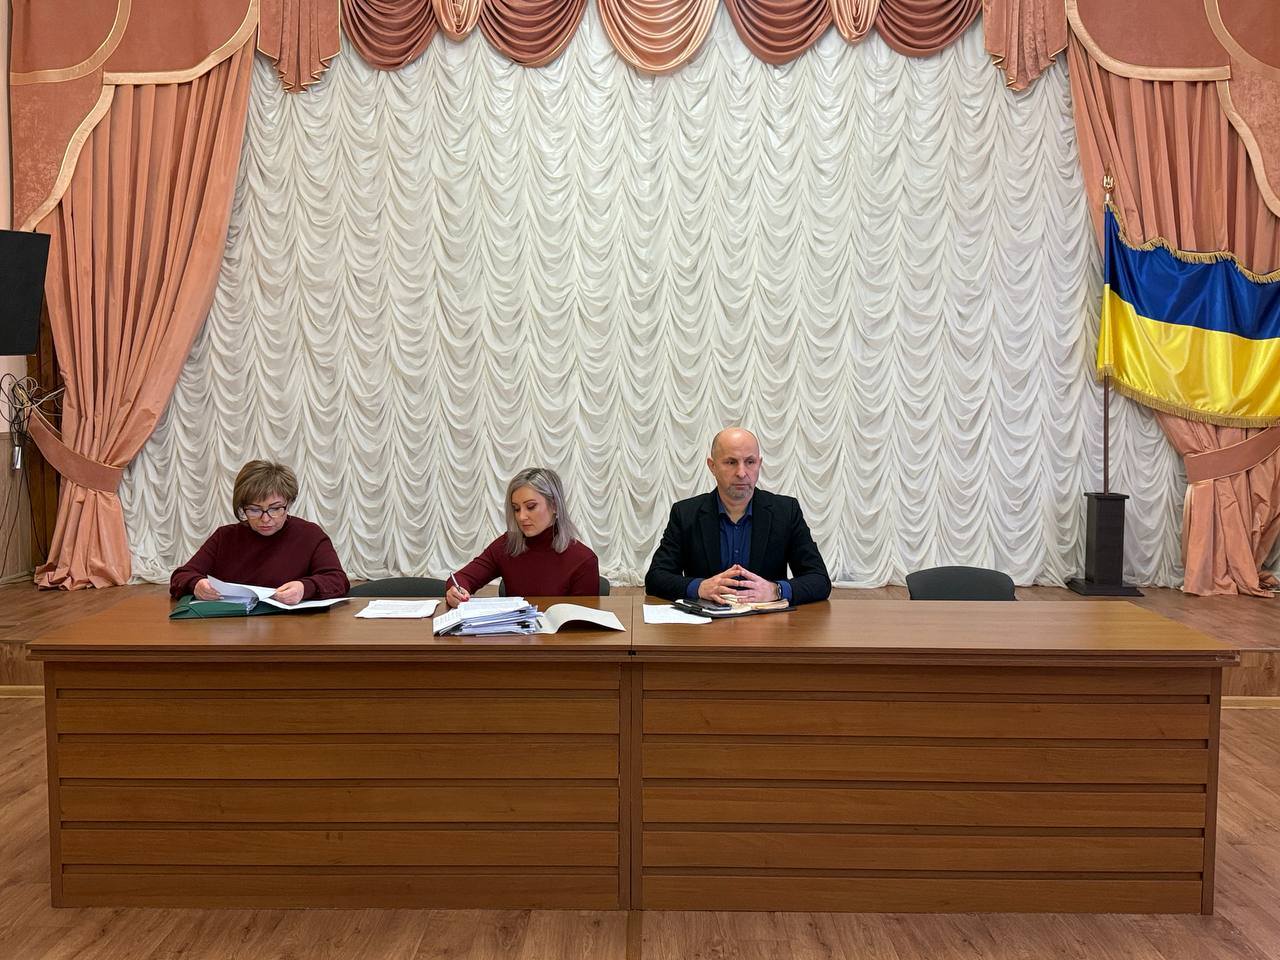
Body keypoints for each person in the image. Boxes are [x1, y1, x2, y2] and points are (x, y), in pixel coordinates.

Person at [645, 427, 831, 605]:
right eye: (731, 462)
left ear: (759, 464)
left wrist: (776, 590)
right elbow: (656, 578)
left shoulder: (786, 511)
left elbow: (819, 580)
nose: (741, 473)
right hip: (707, 622)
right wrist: (699, 587)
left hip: (767, 623)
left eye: (750, 462)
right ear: (712, 466)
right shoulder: (686, 513)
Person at [170, 460, 350, 604]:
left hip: (292, 628)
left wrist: (305, 588)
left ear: (289, 503)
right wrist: (196, 584)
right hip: (236, 629)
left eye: (275, 508)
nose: (265, 519)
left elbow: (338, 580)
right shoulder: (225, 537)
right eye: (254, 510)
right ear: (242, 507)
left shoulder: (310, 535)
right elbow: (181, 576)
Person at [445, 467, 599, 607]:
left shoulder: (583, 560)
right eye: (516, 509)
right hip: (515, 629)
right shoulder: (507, 545)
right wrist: (456, 591)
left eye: (530, 507)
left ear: (555, 505)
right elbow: (460, 578)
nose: (521, 517)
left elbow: (582, 623)